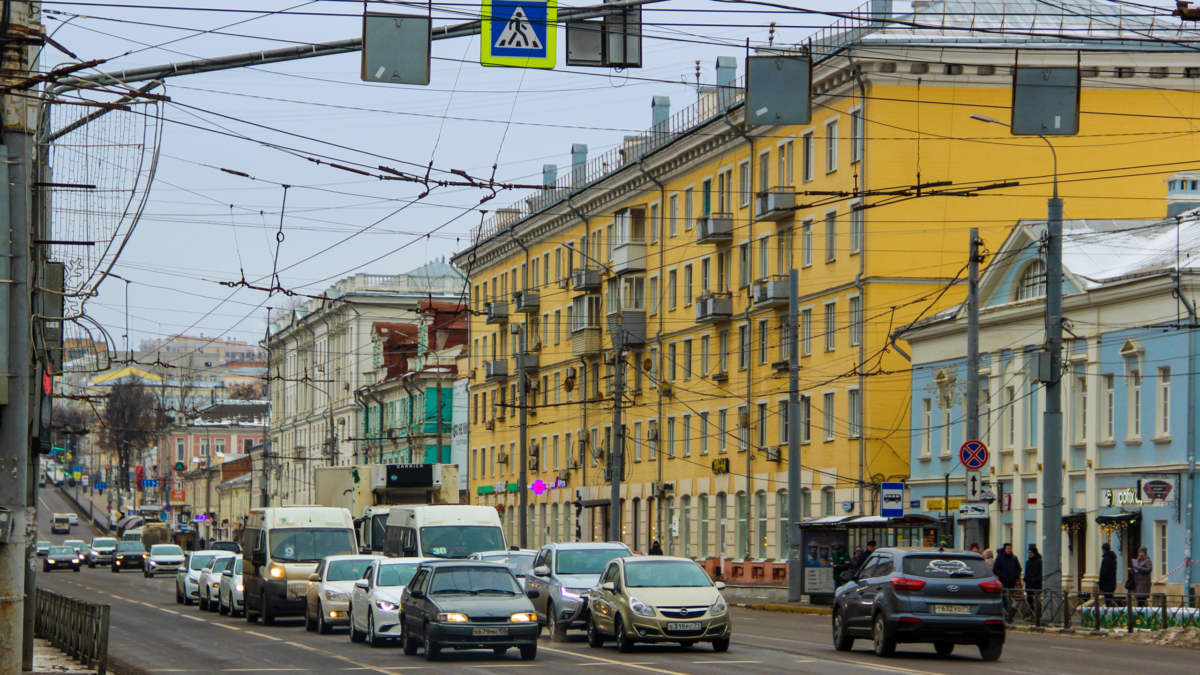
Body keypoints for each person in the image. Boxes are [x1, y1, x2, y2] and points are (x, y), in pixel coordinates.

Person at [992, 543, 1022, 620]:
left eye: (1010, 548)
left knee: (1010, 598)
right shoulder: (1000, 557)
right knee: (1003, 597)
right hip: (1003, 581)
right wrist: (1001, 576)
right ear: (1005, 549)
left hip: (1012, 581)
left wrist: (1016, 575)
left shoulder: (1014, 558)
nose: (1009, 550)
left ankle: (1009, 614)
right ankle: (1004, 614)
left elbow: (1019, 568)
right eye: (1008, 548)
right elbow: (995, 569)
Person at [1024, 545, 1044, 621]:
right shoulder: (1028, 562)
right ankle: (1031, 613)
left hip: (1036, 584)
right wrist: (1025, 579)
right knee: (1029, 599)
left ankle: (1038, 615)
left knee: (1037, 600)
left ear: (1034, 552)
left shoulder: (1039, 561)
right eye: (1028, 552)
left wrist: (1036, 579)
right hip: (1029, 584)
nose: (1029, 554)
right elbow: (1026, 572)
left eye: (1031, 552)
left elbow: (1041, 573)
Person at [1098, 542, 1118, 606]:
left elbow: (1104, 572)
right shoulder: (1113, 559)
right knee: (1110, 599)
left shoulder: (1106, 559)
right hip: (1112, 583)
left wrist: (1100, 582)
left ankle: (1109, 614)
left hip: (1107, 584)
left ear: (1103, 550)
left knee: (1108, 602)